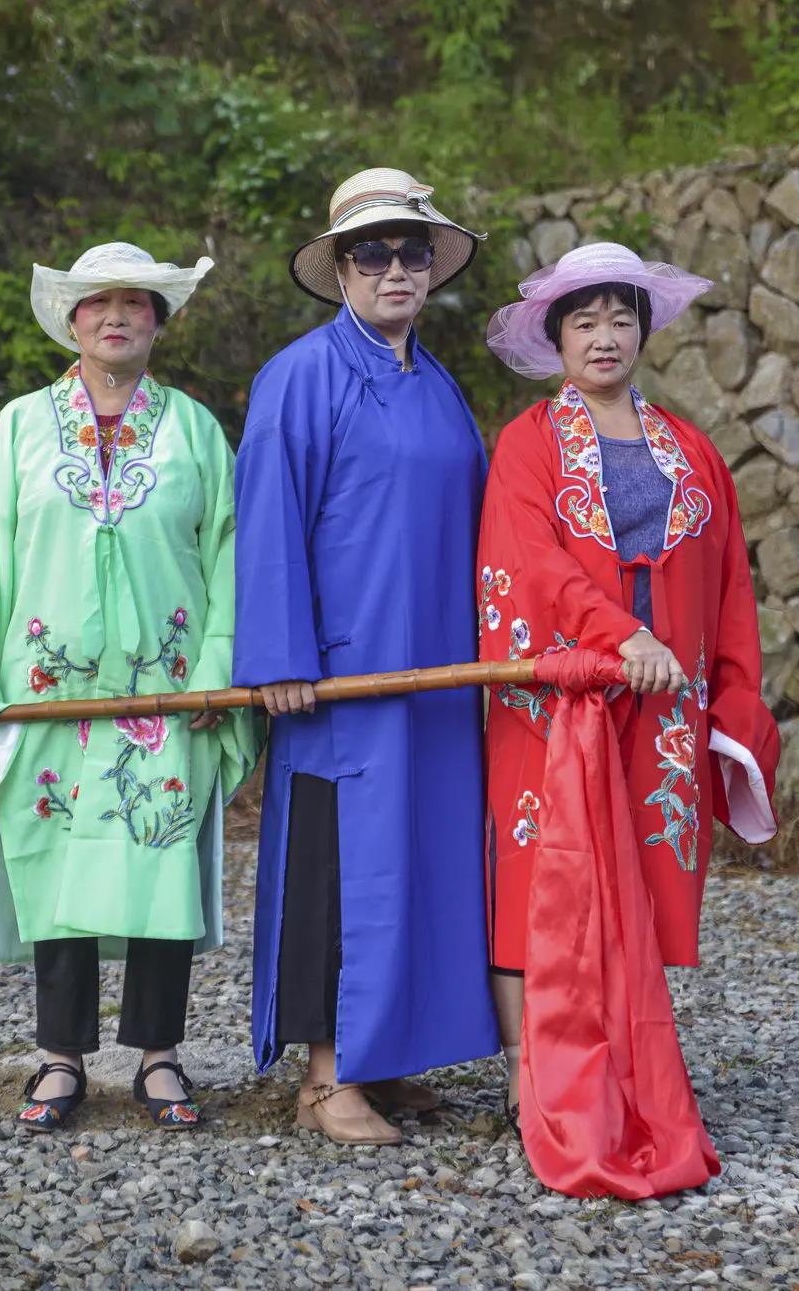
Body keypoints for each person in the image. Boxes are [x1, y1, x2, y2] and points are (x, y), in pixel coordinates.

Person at [0, 241, 259, 1133]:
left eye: (136, 303)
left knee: (160, 856)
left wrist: (217, 666)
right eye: (98, 302)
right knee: (54, 857)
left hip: (165, 689)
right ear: (72, 321)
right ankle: (61, 1056)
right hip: (45, 690)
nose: (116, 316)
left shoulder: (194, 430)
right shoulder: (20, 427)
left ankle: (159, 1055)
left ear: (158, 323)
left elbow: (230, 552)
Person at [479, 240, 779, 1196]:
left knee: (641, 879)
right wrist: (618, 635)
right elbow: (531, 560)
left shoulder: (692, 449)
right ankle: (531, 1077)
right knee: (540, 877)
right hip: (562, 692)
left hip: (665, 698)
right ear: (556, 338)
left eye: (620, 318)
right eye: (585, 321)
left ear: (644, 331)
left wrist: (731, 695)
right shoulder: (528, 442)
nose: (604, 336)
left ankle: (624, 1065)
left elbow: (729, 585)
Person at [233, 168, 499, 1145]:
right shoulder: (299, 376)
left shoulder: (439, 385)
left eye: (411, 251)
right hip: (340, 674)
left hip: (436, 672)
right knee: (339, 864)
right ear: (340, 268)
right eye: (373, 253)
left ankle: (387, 1057)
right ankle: (325, 1077)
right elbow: (267, 518)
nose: (396, 269)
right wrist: (280, 655)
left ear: (432, 267)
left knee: (427, 854)